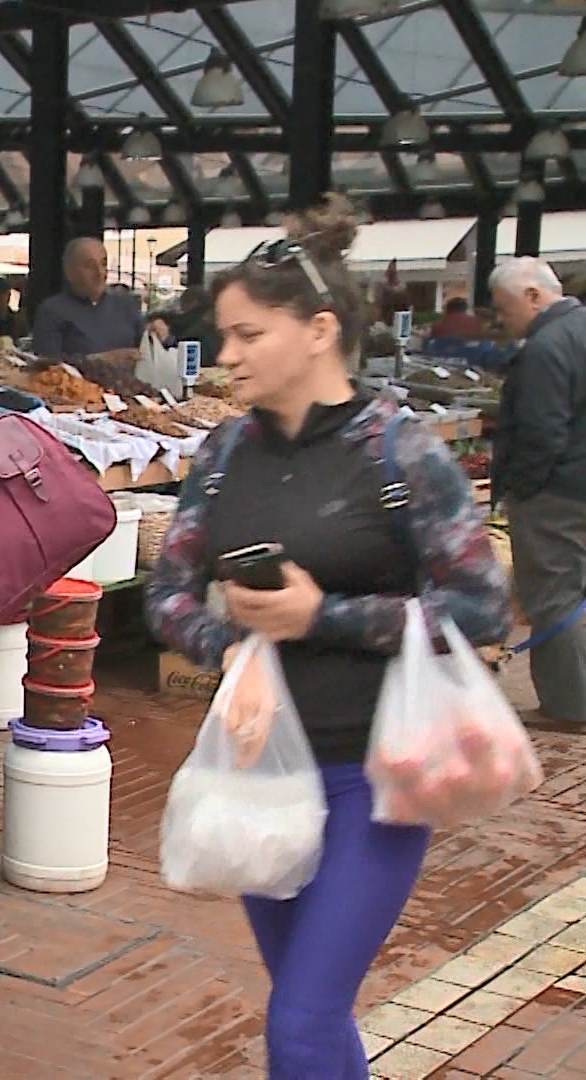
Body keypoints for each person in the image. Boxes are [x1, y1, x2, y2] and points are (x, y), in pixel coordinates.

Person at [146, 195, 511, 1078]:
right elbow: (167, 593)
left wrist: (327, 617)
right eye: (222, 335)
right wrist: (228, 648)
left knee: (301, 1022)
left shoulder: (402, 452)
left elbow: (484, 607)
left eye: (246, 334)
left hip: (376, 779)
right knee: (311, 1014)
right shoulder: (224, 451)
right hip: (262, 777)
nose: (224, 355)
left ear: (316, 330)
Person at [490, 256, 586, 726]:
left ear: (533, 295)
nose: (502, 320)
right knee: (574, 589)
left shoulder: (546, 347)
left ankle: (569, 705)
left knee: (554, 595)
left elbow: (540, 433)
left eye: (505, 309)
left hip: (554, 493)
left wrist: (521, 490)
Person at [31, 237, 143, 357]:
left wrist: (158, 327)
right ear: (69, 272)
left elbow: (149, 346)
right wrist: (98, 360)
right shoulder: (52, 311)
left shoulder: (124, 304)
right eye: (90, 266)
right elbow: (46, 363)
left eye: (103, 264)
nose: (100, 272)